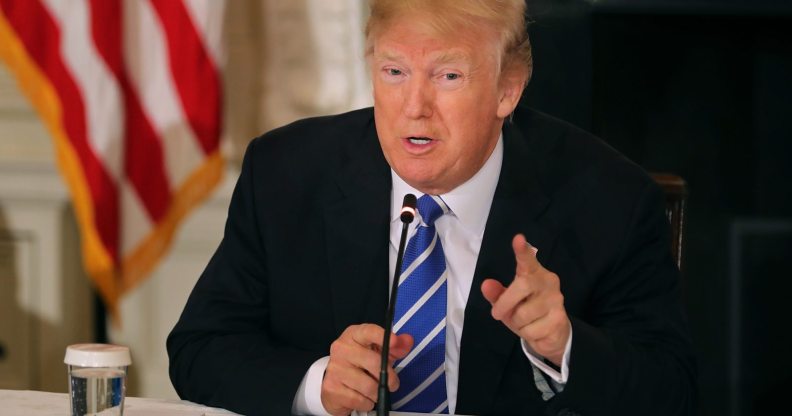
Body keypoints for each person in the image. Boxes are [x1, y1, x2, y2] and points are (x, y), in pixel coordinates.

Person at [167, 0, 697, 415]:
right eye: (394, 72)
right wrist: (316, 384)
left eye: (448, 76)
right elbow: (200, 349)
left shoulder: (608, 198)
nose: (414, 106)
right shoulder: (286, 173)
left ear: (506, 90)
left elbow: (672, 391)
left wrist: (564, 346)